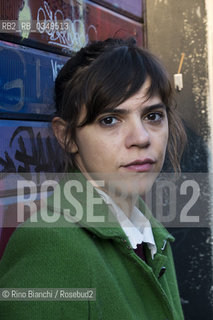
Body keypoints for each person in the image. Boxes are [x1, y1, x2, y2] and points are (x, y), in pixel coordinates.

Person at [0, 38, 186, 319]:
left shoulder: (149, 232)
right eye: (110, 119)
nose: (142, 138)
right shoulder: (52, 245)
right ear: (66, 136)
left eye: (153, 115)